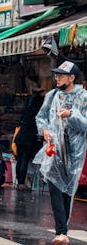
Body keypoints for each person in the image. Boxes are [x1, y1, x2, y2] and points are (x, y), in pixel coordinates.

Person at [33, 61, 86, 245]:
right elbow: (41, 117)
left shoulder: (84, 97)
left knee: (68, 191)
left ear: (72, 78)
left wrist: (71, 115)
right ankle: (61, 232)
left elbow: (86, 125)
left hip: (74, 153)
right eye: (56, 75)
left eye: (61, 75)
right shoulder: (52, 95)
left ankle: (63, 229)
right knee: (55, 188)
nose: (57, 78)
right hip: (54, 150)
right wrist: (44, 130)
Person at [14, 87, 45, 191]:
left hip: (20, 137)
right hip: (28, 139)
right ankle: (21, 183)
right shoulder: (38, 112)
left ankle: (19, 182)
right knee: (24, 160)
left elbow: (20, 122)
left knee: (20, 159)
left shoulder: (28, 108)